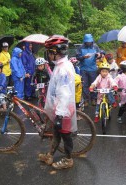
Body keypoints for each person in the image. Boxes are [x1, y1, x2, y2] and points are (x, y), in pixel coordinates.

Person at [39, 35, 76, 169]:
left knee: (65, 135)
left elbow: (64, 93)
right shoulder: (60, 65)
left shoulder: (63, 69)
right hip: (60, 107)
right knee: (56, 132)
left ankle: (68, 159)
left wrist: (60, 114)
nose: (48, 55)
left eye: (49, 52)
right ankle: (50, 155)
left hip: (63, 108)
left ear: (55, 52)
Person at [76, 34, 100, 107]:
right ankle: (86, 100)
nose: (89, 43)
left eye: (90, 41)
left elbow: (101, 53)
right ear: (85, 41)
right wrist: (83, 57)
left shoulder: (95, 46)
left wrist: (99, 55)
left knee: (93, 84)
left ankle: (94, 99)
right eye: (87, 42)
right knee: (85, 85)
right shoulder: (81, 47)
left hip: (93, 68)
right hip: (83, 69)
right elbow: (77, 57)